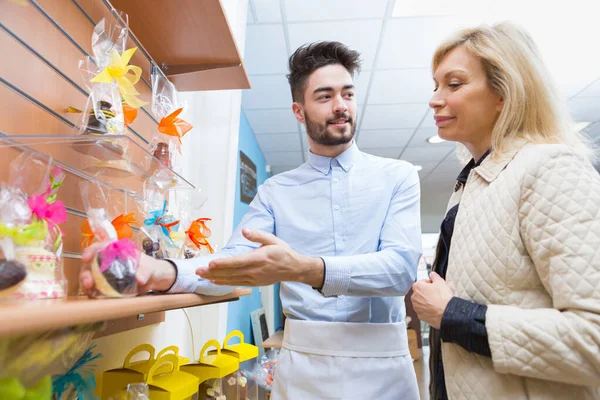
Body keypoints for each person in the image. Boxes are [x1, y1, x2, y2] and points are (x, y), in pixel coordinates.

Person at [81, 41, 422, 399]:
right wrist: (158, 271)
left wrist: (303, 268)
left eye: (347, 94)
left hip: (383, 366)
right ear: (299, 110)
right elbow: (232, 264)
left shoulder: (397, 177)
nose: (341, 106)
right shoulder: (276, 191)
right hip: (305, 369)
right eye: (324, 97)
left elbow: (399, 270)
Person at [410, 22, 600, 400]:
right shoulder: (472, 185)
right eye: (435, 85)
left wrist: (454, 315)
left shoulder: (551, 169)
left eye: (454, 84)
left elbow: (592, 339)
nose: (434, 99)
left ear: (503, 93)